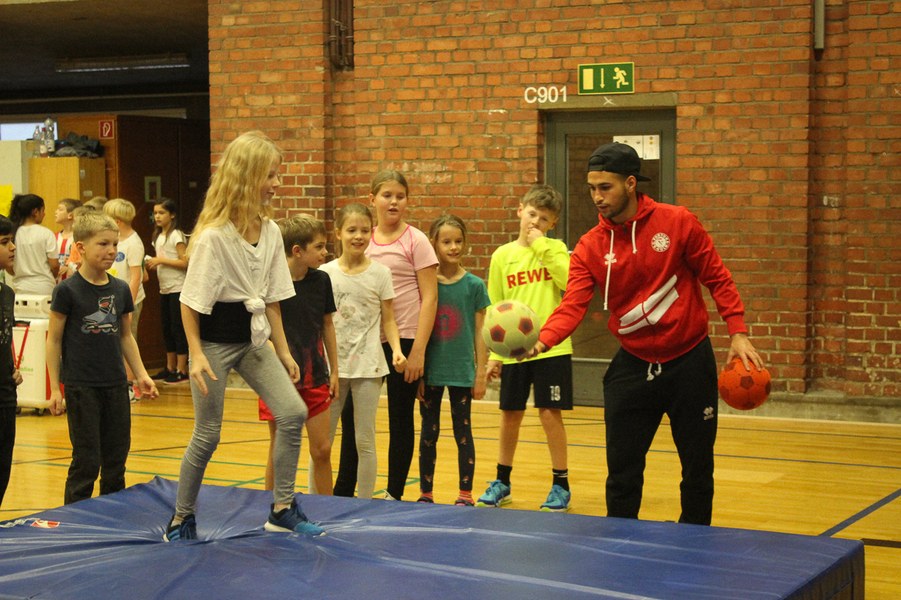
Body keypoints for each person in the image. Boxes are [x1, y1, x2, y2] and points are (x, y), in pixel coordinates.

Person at [532, 142, 764, 525]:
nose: (596, 197)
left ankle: (694, 545)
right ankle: (621, 545)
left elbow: (717, 278)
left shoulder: (678, 222)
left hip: (689, 361)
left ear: (630, 183)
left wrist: (737, 331)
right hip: (634, 363)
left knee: (697, 471)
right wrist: (543, 340)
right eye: (591, 188)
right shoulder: (590, 246)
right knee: (621, 474)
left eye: (605, 187)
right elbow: (572, 305)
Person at [163, 130, 322, 541]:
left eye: (276, 174)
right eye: (270, 175)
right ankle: (181, 517)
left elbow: (272, 299)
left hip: (253, 341)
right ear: (247, 177)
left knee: (293, 412)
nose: (276, 183)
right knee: (208, 434)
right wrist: (196, 354)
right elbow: (189, 303)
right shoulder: (214, 237)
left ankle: (282, 508)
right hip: (213, 343)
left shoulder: (269, 232)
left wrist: (282, 350)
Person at [333, 171, 438, 501]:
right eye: (387, 195)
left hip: (403, 339)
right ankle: (343, 490)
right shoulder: (363, 238)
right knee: (353, 421)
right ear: (372, 199)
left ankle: (394, 494)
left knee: (400, 418)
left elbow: (430, 297)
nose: (393, 202)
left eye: (400, 196)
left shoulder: (415, 240)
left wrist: (418, 349)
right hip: (363, 341)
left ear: (407, 201)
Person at [45, 211, 159, 504]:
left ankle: (113, 516)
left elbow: (125, 336)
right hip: (81, 386)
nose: (111, 251)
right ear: (81, 248)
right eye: (103, 244)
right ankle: (76, 519)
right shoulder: (67, 291)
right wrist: (56, 388)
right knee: (86, 460)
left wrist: (142, 374)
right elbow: (54, 340)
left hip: (115, 384)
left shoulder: (120, 289)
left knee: (116, 460)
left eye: (115, 244)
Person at [476, 184, 574, 512]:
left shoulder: (555, 249)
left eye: (543, 219)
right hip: (515, 351)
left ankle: (561, 484)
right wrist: (495, 355)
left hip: (552, 348)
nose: (535, 222)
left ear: (552, 223)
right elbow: (495, 307)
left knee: (549, 413)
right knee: (510, 414)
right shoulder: (502, 256)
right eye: (531, 214)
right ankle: (502, 481)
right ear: (520, 210)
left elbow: (569, 282)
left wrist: (541, 245)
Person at [319, 203, 406, 499]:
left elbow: (389, 318)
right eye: (351, 230)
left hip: (369, 367)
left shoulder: (380, 273)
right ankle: (316, 499)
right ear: (338, 233)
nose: (358, 236)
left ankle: (366, 503)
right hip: (333, 369)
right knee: (323, 442)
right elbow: (321, 321)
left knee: (364, 440)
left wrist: (396, 349)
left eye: (365, 230)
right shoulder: (325, 273)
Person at [258, 214, 338, 495]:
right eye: (319, 247)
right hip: (278, 378)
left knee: (322, 449)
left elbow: (327, 325)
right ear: (297, 250)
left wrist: (334, 370)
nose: (325, 252)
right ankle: (271, 504)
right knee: (279, 447)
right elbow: (262, 330)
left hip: (315, 375)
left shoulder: (321, 280)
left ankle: (327, 506)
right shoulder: (270, 281)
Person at [416, 214, 489, 506]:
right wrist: (419, 373)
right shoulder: (426, 284)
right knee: (428, 433)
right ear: (433, 243)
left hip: (461, 371)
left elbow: (480, 333)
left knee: (463, 432)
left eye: (458, 241)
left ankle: (465, 493)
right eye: (446, 241)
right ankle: (426, 493)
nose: (453, 247)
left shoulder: (474, 285)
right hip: (431, 370)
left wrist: (480, 372)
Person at [145, 198, 189, 383]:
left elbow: (185, 262)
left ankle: (182, 368)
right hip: (164, 288)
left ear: (172, 215)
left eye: (161, 213)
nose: (157, 216)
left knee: (178, 328)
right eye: (155, 213)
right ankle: (170, 366)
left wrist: (161, 261)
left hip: (178, 288)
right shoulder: (158, 236)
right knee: (167, 328)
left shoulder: (176, 235)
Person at [0, 216, 22, 506]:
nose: (13, 247)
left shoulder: (7, 293)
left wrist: (11, 366)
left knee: (3, 465)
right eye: (5, 242)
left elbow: (5, 337)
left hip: (5, 393)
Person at [6, 193, 59, 296]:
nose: (44, 214)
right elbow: (54, 265)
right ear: (35, 212)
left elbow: (9, 266)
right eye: (43, 210)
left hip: (20, 287)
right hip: (44, 287)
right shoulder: (46, 233)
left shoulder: (13, 234)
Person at [53, 198, 80, 283]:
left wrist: (69, 266)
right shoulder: (54, 237)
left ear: (70, 215)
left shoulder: (79, 237)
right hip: (55, 283)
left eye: (60, 209)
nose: (56, 212)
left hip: (73, 282)